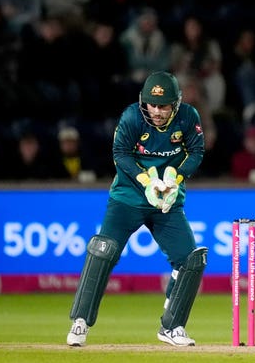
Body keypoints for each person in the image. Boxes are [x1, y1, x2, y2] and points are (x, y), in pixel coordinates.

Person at [66, 71, 207, 347]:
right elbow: (121, 154)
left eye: (163, 105)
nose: (156, 111)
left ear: (175, 104)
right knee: (103, 250)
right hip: (127, 198)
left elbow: (197, 151)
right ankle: (80, 322)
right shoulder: (132, 116)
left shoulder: (189, 117)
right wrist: (147, 181)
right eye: (152, 105)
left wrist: (173, 179)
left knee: (190, 259)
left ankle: (172, 326)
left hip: (166, 202)